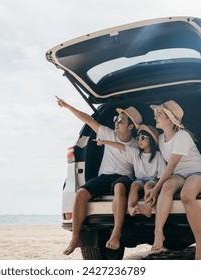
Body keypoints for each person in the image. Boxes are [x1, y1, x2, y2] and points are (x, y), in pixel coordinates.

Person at [56, 96, 142, 254]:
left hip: (124, 178)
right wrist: (68, 106)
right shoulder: (108, 133)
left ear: (130, 127)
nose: (116, 122)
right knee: (81, 193)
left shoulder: (136, 145)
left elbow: (125, 149)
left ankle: (116, 234)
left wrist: (106, 143)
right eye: (116, 119)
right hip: (105, 177)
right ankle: (76, 237)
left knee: (120, 187)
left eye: (121, 121)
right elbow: (88, 120)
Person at [145, 100, 201, 260]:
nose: (155, 117)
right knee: (167, 186)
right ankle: (158, 233)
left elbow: (171, 165)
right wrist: (153, 185)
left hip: (198, 171)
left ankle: (200, 246)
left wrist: (155, 189)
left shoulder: (182, 135)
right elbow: (166, 167)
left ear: (169, 119)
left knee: (186, 195)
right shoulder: (160, 139)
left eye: (159, 114)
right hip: (179, 174)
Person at [97, 124, 166, 218]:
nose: (139, 141)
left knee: (148, 186)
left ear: (151, 140)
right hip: (140, 179)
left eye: (143, 138)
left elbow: (162, 175)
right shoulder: (136, 153)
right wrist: (105, 142)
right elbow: (120, 146)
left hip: (152, 179)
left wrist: (158, 186)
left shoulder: (158, 155)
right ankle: (130, 208)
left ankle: (148, 208)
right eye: (137, 139)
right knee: (134, 186)